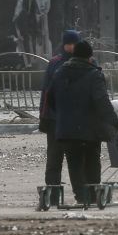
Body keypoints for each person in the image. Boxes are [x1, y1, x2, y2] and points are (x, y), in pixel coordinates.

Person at [47, 40, 118, 205]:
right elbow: (102, 101)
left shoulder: (60, 72)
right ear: (90, 56)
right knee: (92, 161)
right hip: (90, 129)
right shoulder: (94, 74)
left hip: (66, 129)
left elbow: (50, 99)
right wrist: (115, 122)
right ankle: (93, 195)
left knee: (74, 163)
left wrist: (63, 113)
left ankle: (81, 197)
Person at [38, 30, 80, 188]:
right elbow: (46, 92)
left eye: (74, 44)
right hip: (55, 120)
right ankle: (53, 191)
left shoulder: (86, 61)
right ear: (64, 45)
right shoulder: (54, 63)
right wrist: (43, 117)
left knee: (75, 159)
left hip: (76, 121)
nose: (71, 47)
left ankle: (79, 192)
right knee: (54, 158)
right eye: (69, 44)